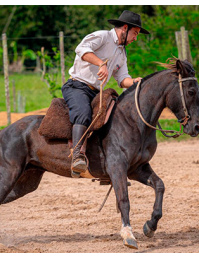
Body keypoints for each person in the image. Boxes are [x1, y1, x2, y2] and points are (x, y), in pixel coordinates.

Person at [61, 10, 150, 178]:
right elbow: (81, 48)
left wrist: (136, 82)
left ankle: (108, 163)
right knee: (84, 113)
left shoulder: (122, 53)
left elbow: (123, 79)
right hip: (77, 87)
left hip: (96, 92)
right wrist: (101, 63)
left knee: (116, 118)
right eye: (135, 33)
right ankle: (77, 156)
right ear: (124, 28)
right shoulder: (102, 36)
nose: (135, 38)